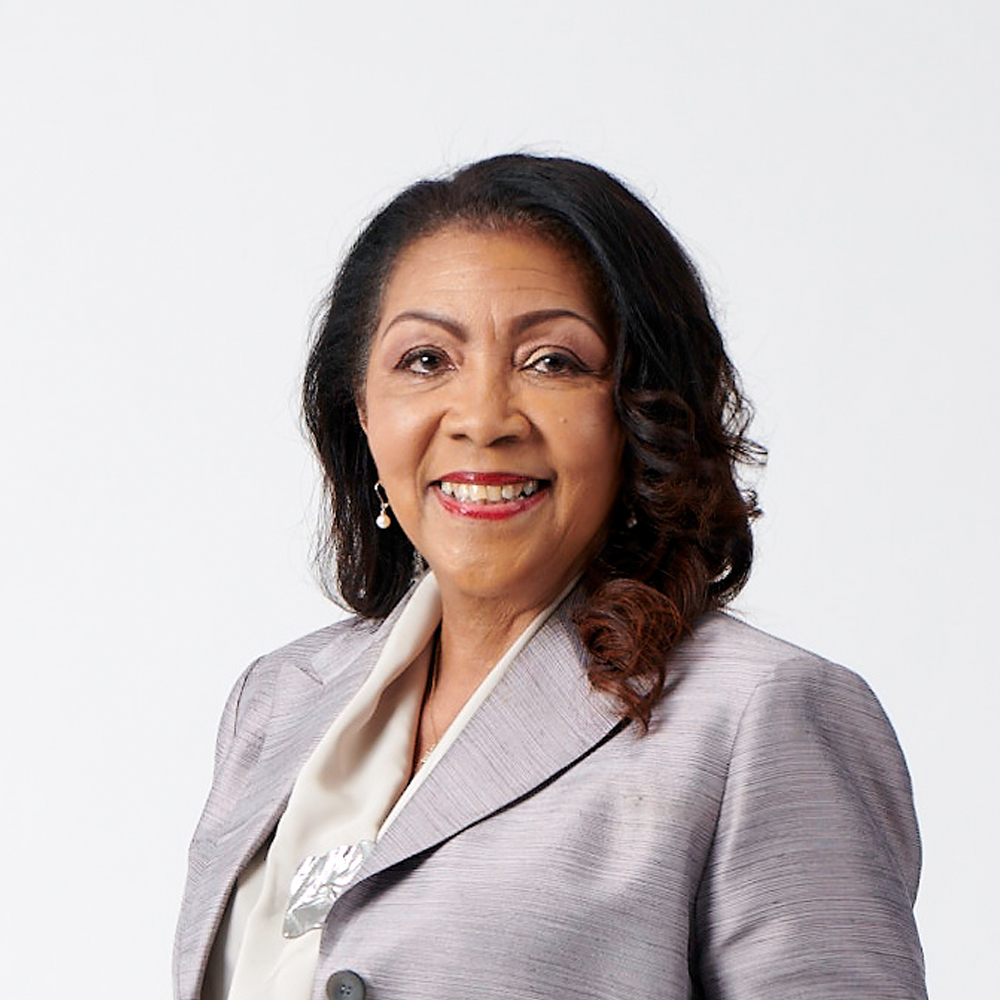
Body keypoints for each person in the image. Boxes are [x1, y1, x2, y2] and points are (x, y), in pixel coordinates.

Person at [175, 154, 927, 1000]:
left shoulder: (762, 715)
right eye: (425, 360)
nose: (483, 420)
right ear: (362, 407)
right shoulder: (278, 702)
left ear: (638, 407)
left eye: (553, 362)